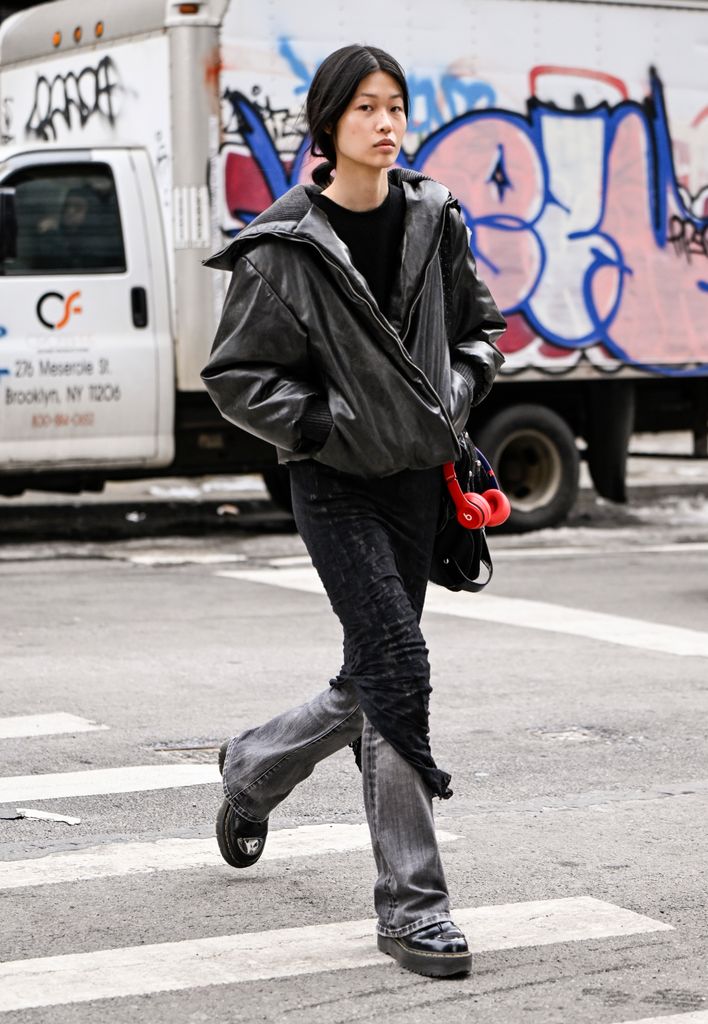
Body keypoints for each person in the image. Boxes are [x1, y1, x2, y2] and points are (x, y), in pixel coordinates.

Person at [201, 44, 506, 978]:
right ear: (329, 126)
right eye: (367, 108)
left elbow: (480, 329)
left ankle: (252, 770)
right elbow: (235, 375)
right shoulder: (286, 246)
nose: (387, 122)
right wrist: (324, 423)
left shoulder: (432, 218)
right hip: (334, 484)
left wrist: (454, 393)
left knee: (371, 676)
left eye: (396, 107)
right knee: (398, 665)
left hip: (417, 480)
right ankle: (414, 908)